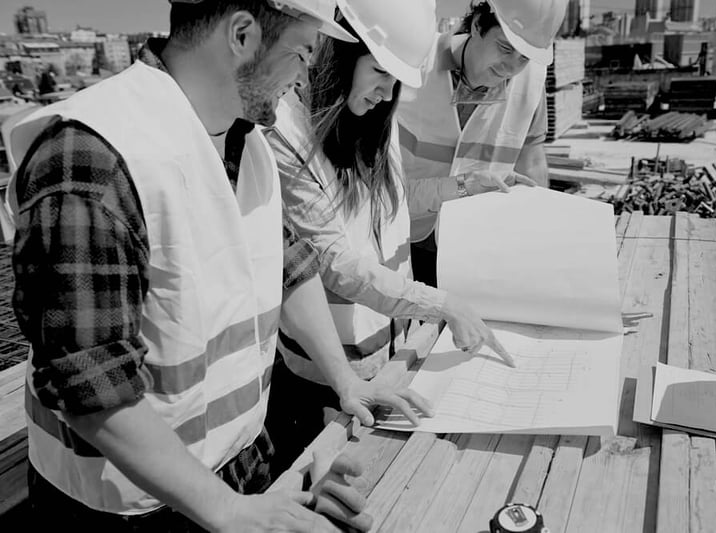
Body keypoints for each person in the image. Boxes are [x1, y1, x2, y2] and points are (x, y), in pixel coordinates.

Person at [7, 1, 427, 531]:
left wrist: (345, 381)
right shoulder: (91, 155)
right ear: (242, 35)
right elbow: (88, 381)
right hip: (128, 508)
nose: (303, 79)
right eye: (301, 53)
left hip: (233, 476)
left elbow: (289, 266)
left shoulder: (242, 144)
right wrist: (228, 511)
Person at [265, 0, 514, 475]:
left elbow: (396, 202)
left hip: (388, 355)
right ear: (339, 56)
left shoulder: (374, 117)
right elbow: (334, 261)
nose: (387, 91)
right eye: (380, 71)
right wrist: (441, 304)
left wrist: (464, 186)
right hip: (325, 374)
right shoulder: (287, 133)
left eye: (398, 80)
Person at [396, 0, 568, 287]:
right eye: (505, 48)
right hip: (404, 232)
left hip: (472, 241)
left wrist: (540, 233)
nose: (511, 67)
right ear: (477, 25)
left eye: (524, 57)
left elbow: (532, 159)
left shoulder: (531, 84)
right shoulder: (416, 64)